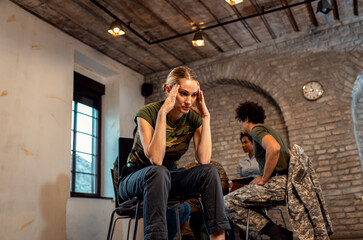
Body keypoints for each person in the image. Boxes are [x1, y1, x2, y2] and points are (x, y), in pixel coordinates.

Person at [118, 66, 230, 240]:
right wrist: (163, 113)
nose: (189, 101)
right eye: (184, 93)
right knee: (158, 171)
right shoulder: (147, 113)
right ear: (168, 90)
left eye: (193, 95)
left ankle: (218, 238)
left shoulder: (193, 117)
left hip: (168, 178)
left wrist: (205, 118)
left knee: (209, 171)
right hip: (134, 178)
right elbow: (156, 159)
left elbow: (204, 159)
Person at [224, 101, 293, 240]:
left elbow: (274, 149)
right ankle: (278, 233)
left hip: (277, 185)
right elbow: (290, 154)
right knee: (242, 201)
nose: (241, 126)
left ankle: (277, 233)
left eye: (241, 121)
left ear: (247, 119)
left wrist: (263, 178)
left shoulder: (256, 130)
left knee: (226, 202)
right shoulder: (270, 131)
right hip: (285, 184)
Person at [181, 161, 230, 240]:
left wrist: (207, 195)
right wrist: (192, 196)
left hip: (210, 199)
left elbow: (223, 183)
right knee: (178, 208)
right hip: (193, 200)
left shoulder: (215, 166)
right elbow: (183, 185)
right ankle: (187, 235)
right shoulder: (189, 166)